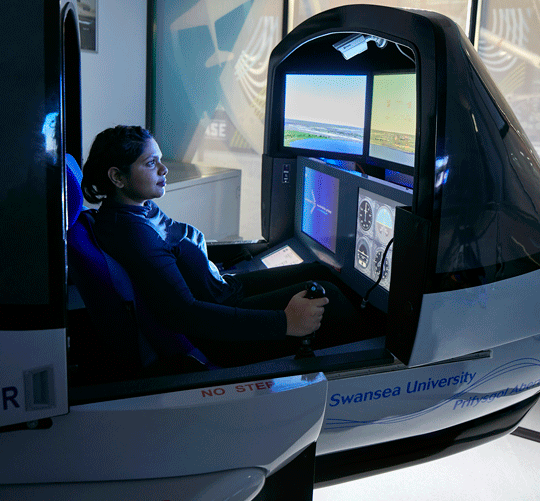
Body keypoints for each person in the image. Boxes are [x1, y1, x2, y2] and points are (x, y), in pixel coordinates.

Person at [81, 125, 367, 367]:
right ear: (117, 177)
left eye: (159, 159)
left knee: (322, 270)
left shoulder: (139, 208)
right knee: (329, 296)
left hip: (224, 290)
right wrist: (285, 323)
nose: (164, 169)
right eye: (150, 163)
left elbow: (179, 252)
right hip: (221, 335)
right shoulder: (132, 233)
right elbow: (185, 314)